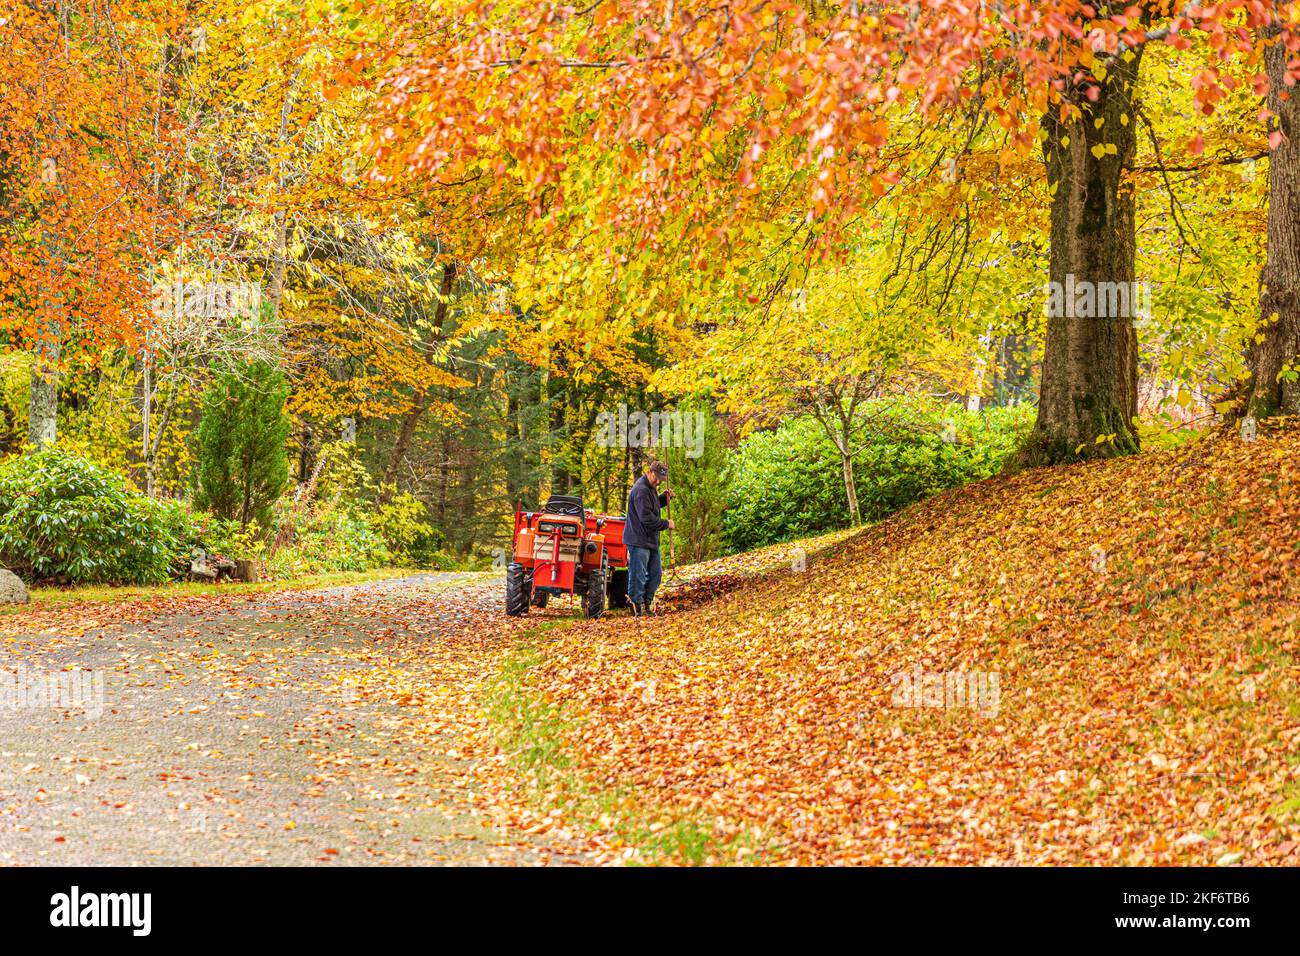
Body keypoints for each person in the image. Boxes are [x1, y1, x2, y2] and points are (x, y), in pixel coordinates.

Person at [622, 461, 674, 616]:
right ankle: (636, 606)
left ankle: (646, 602)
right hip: (638, 540)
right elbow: (646, 518)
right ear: (650, 472)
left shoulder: (650, 488)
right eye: (656, 477)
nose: (658, 482)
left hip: (650, 540)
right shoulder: (640, 490)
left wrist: (664, 499)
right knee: (638, 575)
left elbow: (653, 505)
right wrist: (666, 524)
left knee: (655, 574)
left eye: (661, 479)